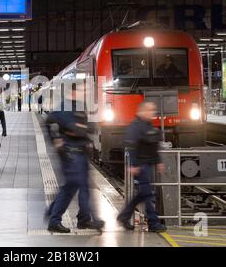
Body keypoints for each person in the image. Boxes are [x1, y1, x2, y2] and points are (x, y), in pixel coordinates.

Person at [45, 87, 105, 233]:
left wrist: (82, 129)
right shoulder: (64, 107)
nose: (84, 93)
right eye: (81, 90)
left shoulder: (78, 106)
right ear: (71, 92)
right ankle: (54, 219)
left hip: (81, 151)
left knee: (83, 186)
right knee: (70, 187)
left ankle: (84, 220)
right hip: (71, 153)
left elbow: (88, 127)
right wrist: (61, 137)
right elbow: (75, 128)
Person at [117, 101, 167, 233]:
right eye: (150, 110)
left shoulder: (148, 125)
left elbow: (153, 146)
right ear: (143, 111)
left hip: (148, 164)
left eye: (153, 111)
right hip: (141, 165)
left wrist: (158, 162)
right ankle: (153, 223)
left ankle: (123, 216)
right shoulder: (135, 126)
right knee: (147, 194)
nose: (153, 113)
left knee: (142, 194)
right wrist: (134, 165)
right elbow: (132, 146)